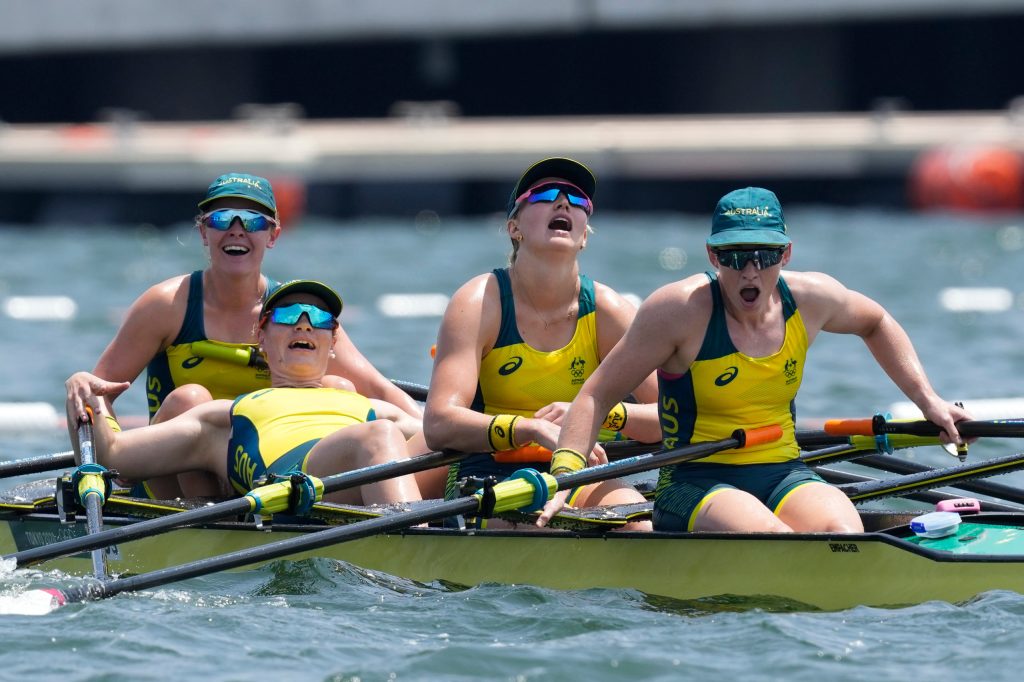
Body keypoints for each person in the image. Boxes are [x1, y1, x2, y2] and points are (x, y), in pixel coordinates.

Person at [538, 186, 971, 532]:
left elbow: (876, 322)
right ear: (712, 256)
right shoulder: (678, 311)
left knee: (844, 532)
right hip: (693, 480)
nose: (750, 272)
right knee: (771, 539)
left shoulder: (812, 298)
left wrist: (928, 401)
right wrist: (565, 475)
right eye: (734, 257)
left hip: (781, 470)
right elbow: (595, 396)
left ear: (785, 254)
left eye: (763, 257)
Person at [65, 172, 422, 499]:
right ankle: (202, 520)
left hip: (264, 462)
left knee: (340, 388)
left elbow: (379, 388)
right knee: (191, 398)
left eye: (253, 221)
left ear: (273, 235)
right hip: (183, 456)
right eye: (221, 219)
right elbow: (99, 393)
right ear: (204, 232)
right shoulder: (167, 304)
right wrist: (97, 466)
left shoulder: (296, 311)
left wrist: (437, 425)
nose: (237, 230)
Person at [423, 157, 662, 527]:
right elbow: (438, 424)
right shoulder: (479, 302)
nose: (564, 203)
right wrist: (530, 428)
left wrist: (595, 414)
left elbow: (674, 417)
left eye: (578, 199)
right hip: (487, 472)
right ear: (514, 227)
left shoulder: (608, 311)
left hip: (578, 473)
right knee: (521, 525)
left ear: (584, 234)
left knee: (639, 523)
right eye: (546, 194)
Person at [81, 280, 422, 506]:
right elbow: (114, 455)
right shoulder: (227, 416)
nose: (304, 324)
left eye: (319, 318)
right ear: (261, 336)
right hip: (294, 477)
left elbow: (437, 432)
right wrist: (84, 395)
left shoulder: (368, 406)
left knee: (436, 437)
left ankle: (427, 530)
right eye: (288, 315)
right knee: (381, 436)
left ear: (333, 342)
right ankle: (418, 561)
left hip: (368, 459)